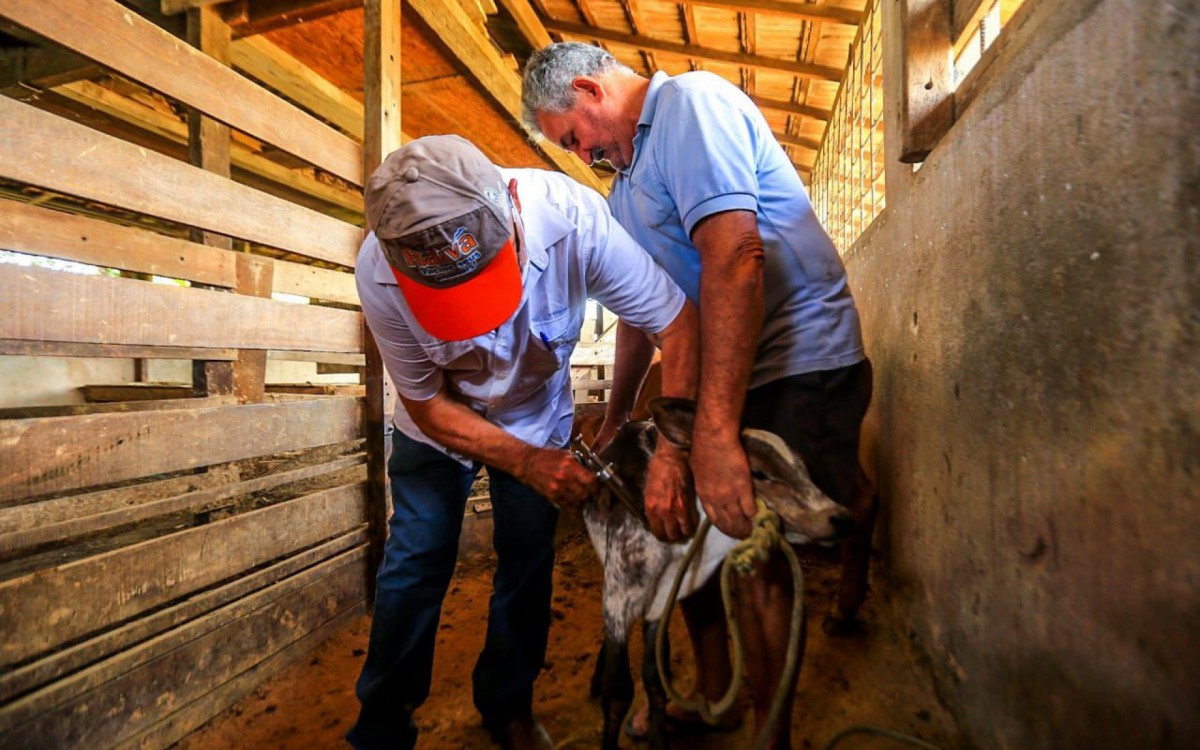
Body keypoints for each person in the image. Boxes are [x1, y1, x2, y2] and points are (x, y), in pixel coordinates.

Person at [521, 44, 877, 748]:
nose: (580, 153)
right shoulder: (622, 190)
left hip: (801, 354)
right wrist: (621, 418)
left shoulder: (690, 106)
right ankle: (717, 696)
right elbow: (641, 314)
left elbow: (738, 254)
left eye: (572, 137)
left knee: (751, 534)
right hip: (732, 364)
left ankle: (769, 731)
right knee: (683, 518)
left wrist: (707, 437)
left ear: (590, 91)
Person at [346, 135, 699, 750]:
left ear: (510, 208)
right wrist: (525, 462)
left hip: (538, 414)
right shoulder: (378, 270)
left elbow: (675, 322)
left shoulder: (576, 220)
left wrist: (672, 450)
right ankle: (382, 724)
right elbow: (427, 404)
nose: (479, 322)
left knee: (528, 557)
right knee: (416, 559)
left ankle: (508, 704)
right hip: (442, 427)